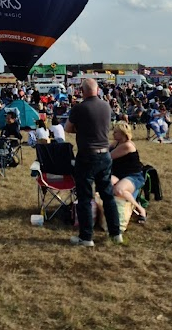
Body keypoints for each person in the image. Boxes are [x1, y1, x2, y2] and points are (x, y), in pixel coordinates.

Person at [66, 78, 121, 247]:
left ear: (82, 91)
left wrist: (80, 128)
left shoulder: (79, 108)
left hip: (87, 156)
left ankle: (86, 237)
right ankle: (115, 233)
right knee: (107, 195)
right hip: (105, 155)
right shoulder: (106, 106)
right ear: (97, 90)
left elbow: (68, 128)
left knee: (85, 198)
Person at [109, 122, 147, 222]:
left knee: (119, 191)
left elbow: (108, 157)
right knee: (104, 182)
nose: (113, 134)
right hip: (118, 174)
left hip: (134, 176)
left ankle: (140, 209)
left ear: (122, 134)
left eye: (116, 132)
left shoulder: (127, 145)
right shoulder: (116, 143)